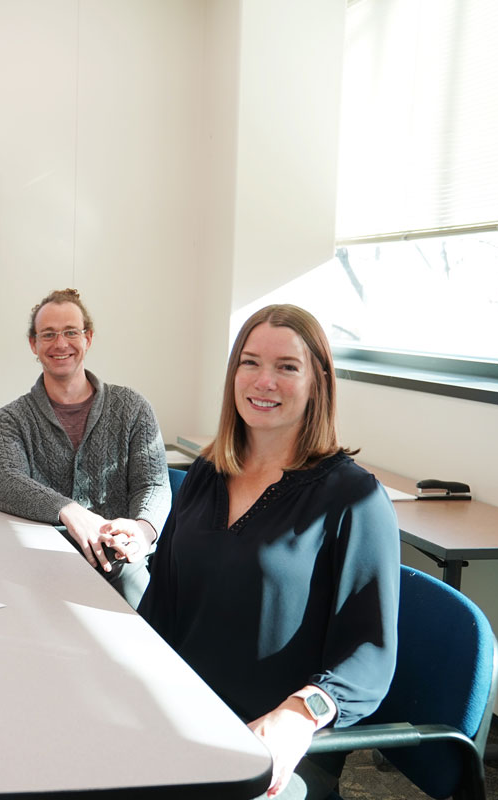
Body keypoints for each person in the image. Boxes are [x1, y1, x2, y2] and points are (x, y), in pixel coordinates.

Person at [139, 304, 400, 800]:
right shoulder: (206, 473)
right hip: (181, 714)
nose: (264, 382)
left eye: (287, 367)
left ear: (317, 381)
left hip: (272, 742)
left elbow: (368, 655)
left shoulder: (353, 498)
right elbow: (163, 603)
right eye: (250, 362)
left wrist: (300, 716)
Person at [0, 288, 171, 607]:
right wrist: (71, 512)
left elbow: (153, 484)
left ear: (88, 338)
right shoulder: (10, 420)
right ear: (34, 343)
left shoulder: (133, 407)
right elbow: (4, 480)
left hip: (122, 562)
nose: (61, 344)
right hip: (45, 564)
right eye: (49, 334)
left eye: (71, 332)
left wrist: (141, 531)